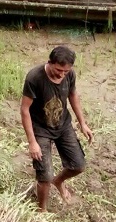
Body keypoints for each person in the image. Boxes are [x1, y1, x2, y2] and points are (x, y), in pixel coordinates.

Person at [21, 45, 93, 212]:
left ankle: (59, 181)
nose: (62, 74)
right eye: (59, 70)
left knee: (78, 165)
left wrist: (82, 123)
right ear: (50, 63)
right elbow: (24, 110)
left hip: (63, 125)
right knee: (45, 176)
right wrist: (32, 142)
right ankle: (42, 210)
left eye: (66, 71)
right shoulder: (34, 77)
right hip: (40, 128)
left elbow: (73, 95)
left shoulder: (69, 75)